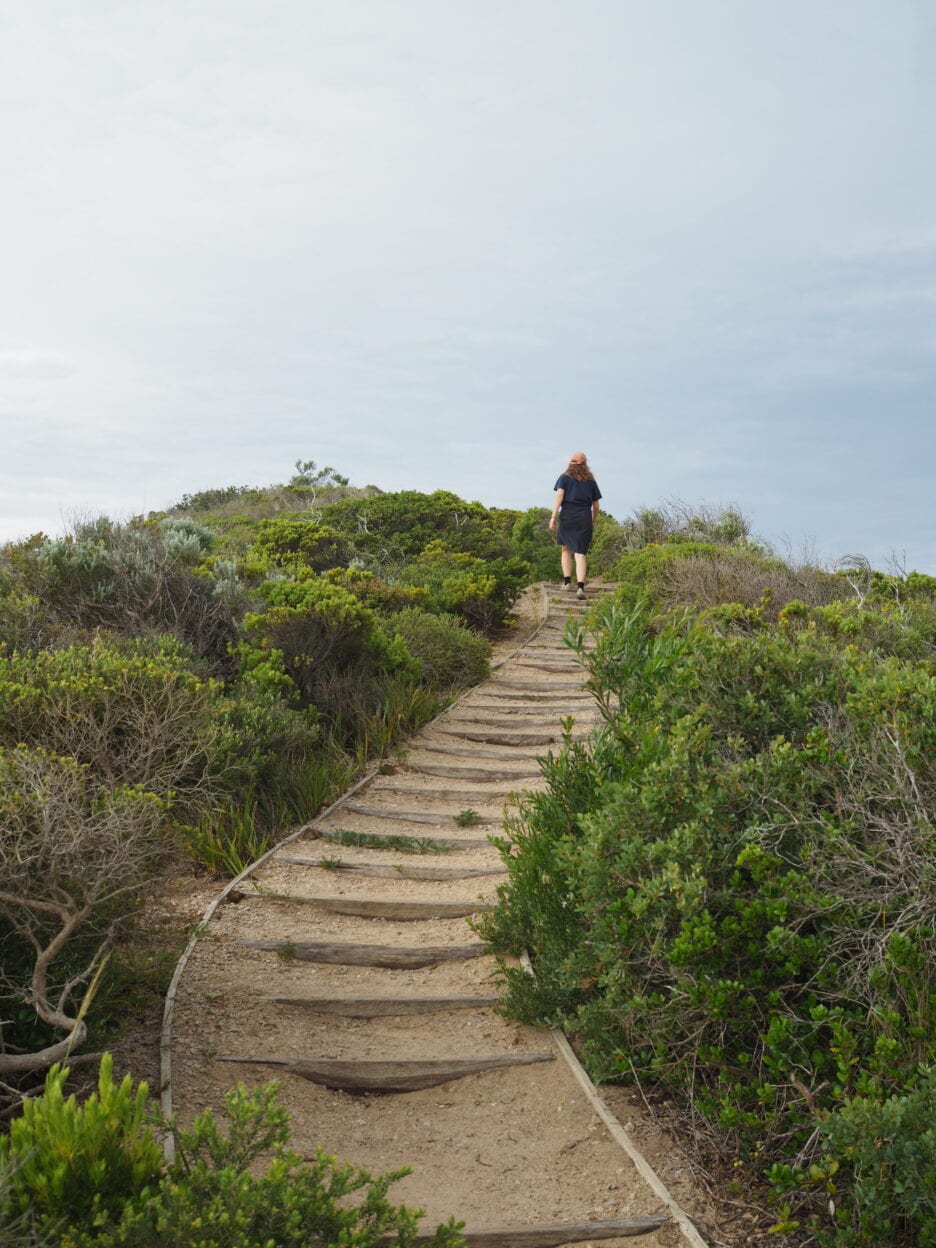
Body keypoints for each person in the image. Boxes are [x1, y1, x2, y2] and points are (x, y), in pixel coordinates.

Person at [548, 452, 601, 598]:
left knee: (566, 549)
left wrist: (553, 516)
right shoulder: (591, 481)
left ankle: (566, 583)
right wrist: (592, 521)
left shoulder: (564, 478)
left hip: (568, 516)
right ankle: (580, 588)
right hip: (584, 517)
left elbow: (559, 495)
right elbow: (596, 506)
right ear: (584, 464)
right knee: (580, 552)